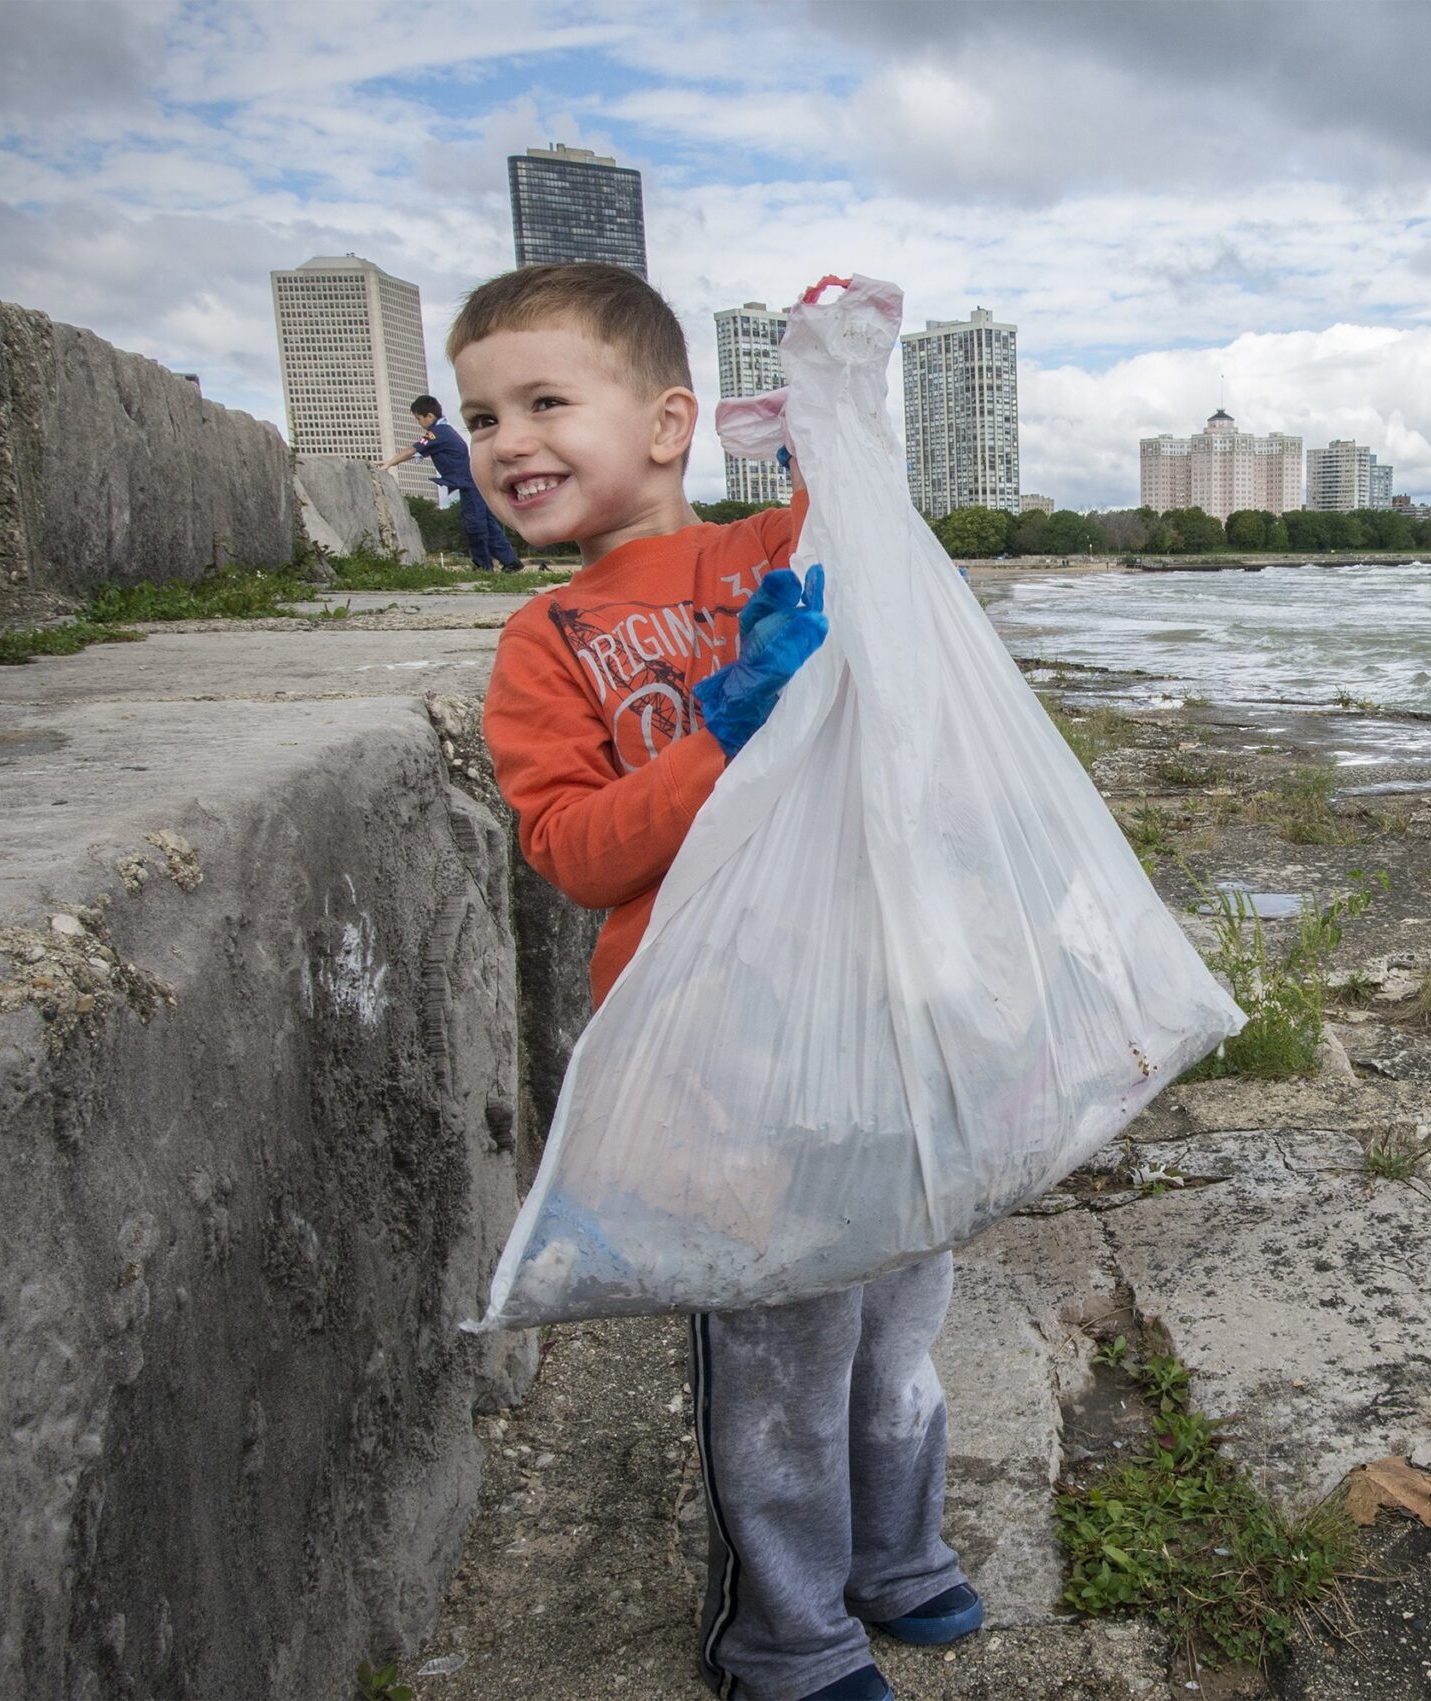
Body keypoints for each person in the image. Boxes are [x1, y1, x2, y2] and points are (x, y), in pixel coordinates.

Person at [467, 262, 978, 1701]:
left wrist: (842, 398)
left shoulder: (766, 554)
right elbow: (572, 849)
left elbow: (871, 540)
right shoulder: (542, 644)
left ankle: (899, 1555)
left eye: (546, 401)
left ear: (673, 421)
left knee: (897, 1331)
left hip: (871, 1022)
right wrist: (718, 737)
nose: (507, 440)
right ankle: (787, 1633)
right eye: (482, 414)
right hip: (713, 1058)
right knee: (776, 1362)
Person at [382, 393, 522, 573]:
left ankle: (483, 566)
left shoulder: (436, 434)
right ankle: (510, 561)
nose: (418, 423)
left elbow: (412, 450)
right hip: (475, 483)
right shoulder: (445, 431)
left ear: (430, 416)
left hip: (469, 485)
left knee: (475, 526)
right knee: (487, 525)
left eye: (419, 418)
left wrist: (389, 463)